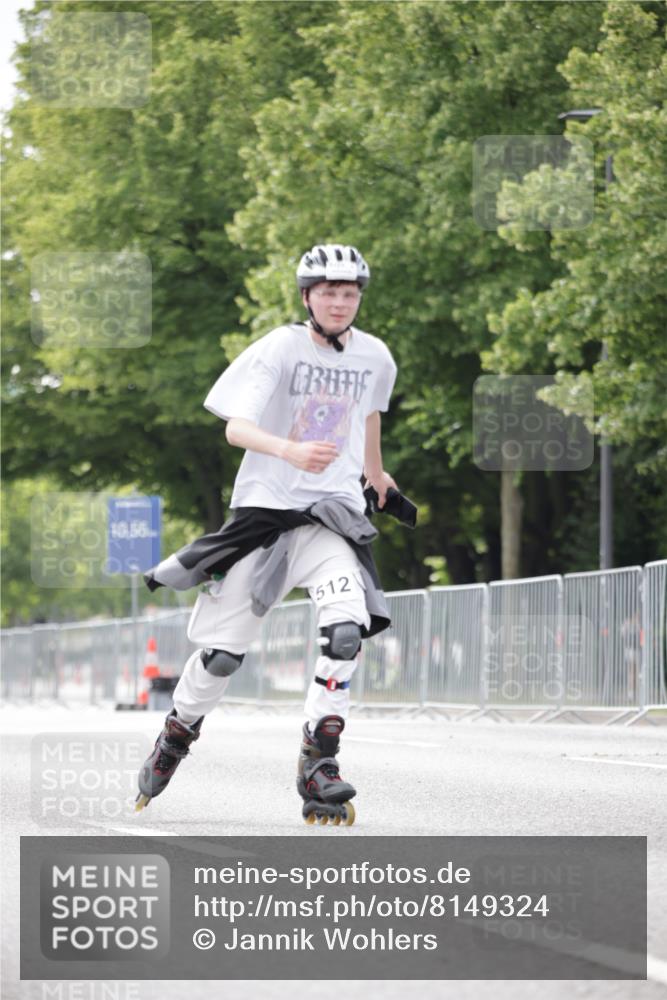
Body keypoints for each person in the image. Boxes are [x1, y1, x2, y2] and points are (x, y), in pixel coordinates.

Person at [136, 244, 404, 825]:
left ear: (360, 298)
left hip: (330, 518)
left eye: (349, 293)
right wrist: (289, 450)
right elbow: (236, 427)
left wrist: (375, 476)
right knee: (224, 658)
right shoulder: (279, 348)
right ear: (308, 296)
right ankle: (177, 734)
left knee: (343, 635)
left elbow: (369, 416)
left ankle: (319, 762)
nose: (339, 302)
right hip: (265, 518)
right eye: (328, 292)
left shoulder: (375, 356)